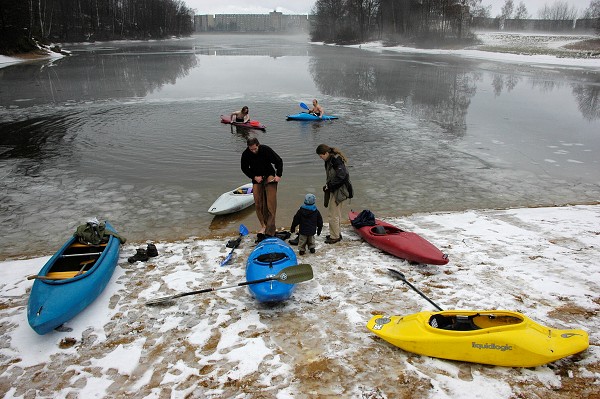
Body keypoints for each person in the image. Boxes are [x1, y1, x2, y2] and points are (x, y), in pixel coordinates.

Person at [241, 137, 283, 240]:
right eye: (251, 149)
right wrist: (254, 177)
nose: (253, 151)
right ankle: (263, 226)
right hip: (257, 178)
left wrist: (278, 175)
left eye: (255, 149)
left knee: (270, 204)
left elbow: (279, 161)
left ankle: (270, 230)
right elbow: (244, 168)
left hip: (269, 175)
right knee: (259, 204)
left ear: (258, 145)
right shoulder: (246, 154)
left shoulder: (265, 149)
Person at [316, 144, 353, 244]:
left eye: (321, 155)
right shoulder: (331, 159)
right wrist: (328, 185)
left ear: (326, 153)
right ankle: (336, 233)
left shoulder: (336, 161)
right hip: (336, 189)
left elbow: (342, 176)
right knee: (336, 214)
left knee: (333, 215)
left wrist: (330, 185)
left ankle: (335, 237)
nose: (320, 158)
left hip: (339, 192)